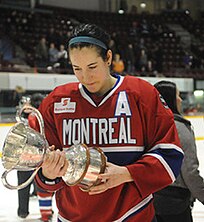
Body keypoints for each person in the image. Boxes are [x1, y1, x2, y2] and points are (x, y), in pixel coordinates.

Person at [33, 23, 183, 222]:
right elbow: (43, 177)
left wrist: (127, 173)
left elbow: (170, 154)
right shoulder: (56, 102)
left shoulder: (142, 94)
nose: (85, 77)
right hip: (73, 217)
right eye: (76, 68)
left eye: (92, 67)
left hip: (133, 216)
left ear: (109, 58)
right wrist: (48, 173)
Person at [153, 80, 204, 222]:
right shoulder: (180, 128)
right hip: (175, 207)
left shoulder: (147, 126)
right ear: (170, 99)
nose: (180, 99)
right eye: (177, 95)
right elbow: (189, 172)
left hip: (149, 204)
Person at [17, 93, 54, 222]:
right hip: (44, 157)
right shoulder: (48, 116)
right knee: (44, 185)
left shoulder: (30, 117)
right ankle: (47, 212)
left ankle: (23, 211)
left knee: (23, 184)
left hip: (27, 156)